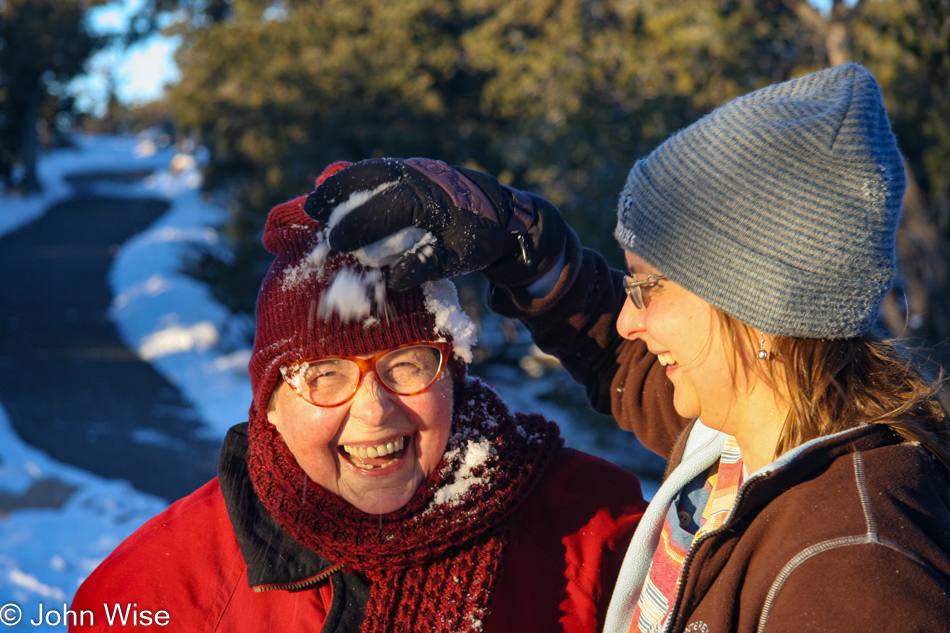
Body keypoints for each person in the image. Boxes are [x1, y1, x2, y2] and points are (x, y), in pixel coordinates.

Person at [306, 64, 950, 632]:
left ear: (759, 305)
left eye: (648, 286)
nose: (627, 321)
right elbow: (620, 362)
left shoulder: (855, 569)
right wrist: (517, 237)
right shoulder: (753, 435)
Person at [68, 162, 651, 632]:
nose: (374, 410)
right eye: (324, 375)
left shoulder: (598, 530)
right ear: (268, 403)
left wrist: (543, 258)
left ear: (454, 373)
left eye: (407, 365)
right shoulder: (152, 593)